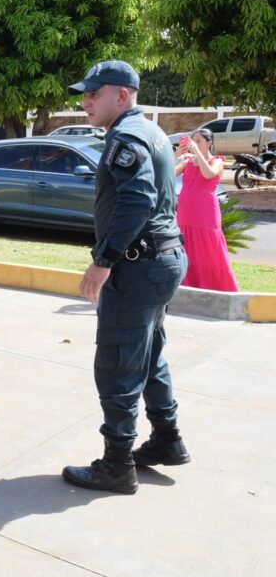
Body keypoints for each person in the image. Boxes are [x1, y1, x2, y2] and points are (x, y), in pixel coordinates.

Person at [63, 60, 190, 496]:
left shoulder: (128, 136)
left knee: (118, 363)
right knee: (149, 354)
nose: (85, 102)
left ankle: (117, 464)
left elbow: (137, 199)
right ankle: (166, 439)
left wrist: (105, 260)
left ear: (122, 95)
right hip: (162, 260)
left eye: (93, 94)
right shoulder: (151, 131)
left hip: (139, 265)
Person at [176, 128, 238, 291]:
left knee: (209, 249)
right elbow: (166, 174)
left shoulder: (217, 160)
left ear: (209, 142)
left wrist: (197, 153)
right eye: (193, 141)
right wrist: (176, 156)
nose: (194, 144)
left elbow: (209, 174)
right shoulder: (187, 161)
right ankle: (187, 284)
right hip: (185, 213)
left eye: (199, 141)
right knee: (186, 247)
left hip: (205, 213)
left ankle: (219, 287)